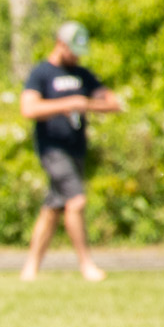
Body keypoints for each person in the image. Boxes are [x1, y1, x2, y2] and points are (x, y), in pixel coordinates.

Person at [19, 21, 123, 282]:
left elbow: (113, 103)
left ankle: (30, 268)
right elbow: (28, 109)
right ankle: (86, 265)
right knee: (76, 202)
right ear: (60, 44)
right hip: (52, 151)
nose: (76, 56)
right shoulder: (41, 74)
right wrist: (66, 103)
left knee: (52, 208)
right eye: (73, 50)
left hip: (76, 150)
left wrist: (86, 103)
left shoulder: (82, 75)